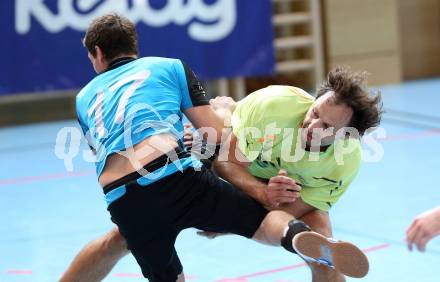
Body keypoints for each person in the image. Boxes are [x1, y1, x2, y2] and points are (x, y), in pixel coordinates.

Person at [63, 13, 371, 282]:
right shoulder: (176, 70)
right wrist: (219, 128)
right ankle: (293, 236)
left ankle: (305, 239)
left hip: (124, 197)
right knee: (268, 223)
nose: (313, 125)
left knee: (320, 240)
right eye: (315, 113)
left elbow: (105, 153)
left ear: (97, 53)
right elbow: (220, 144)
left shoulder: (82, 99)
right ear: (134, 47)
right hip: (197, 169)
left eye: (328, 127)